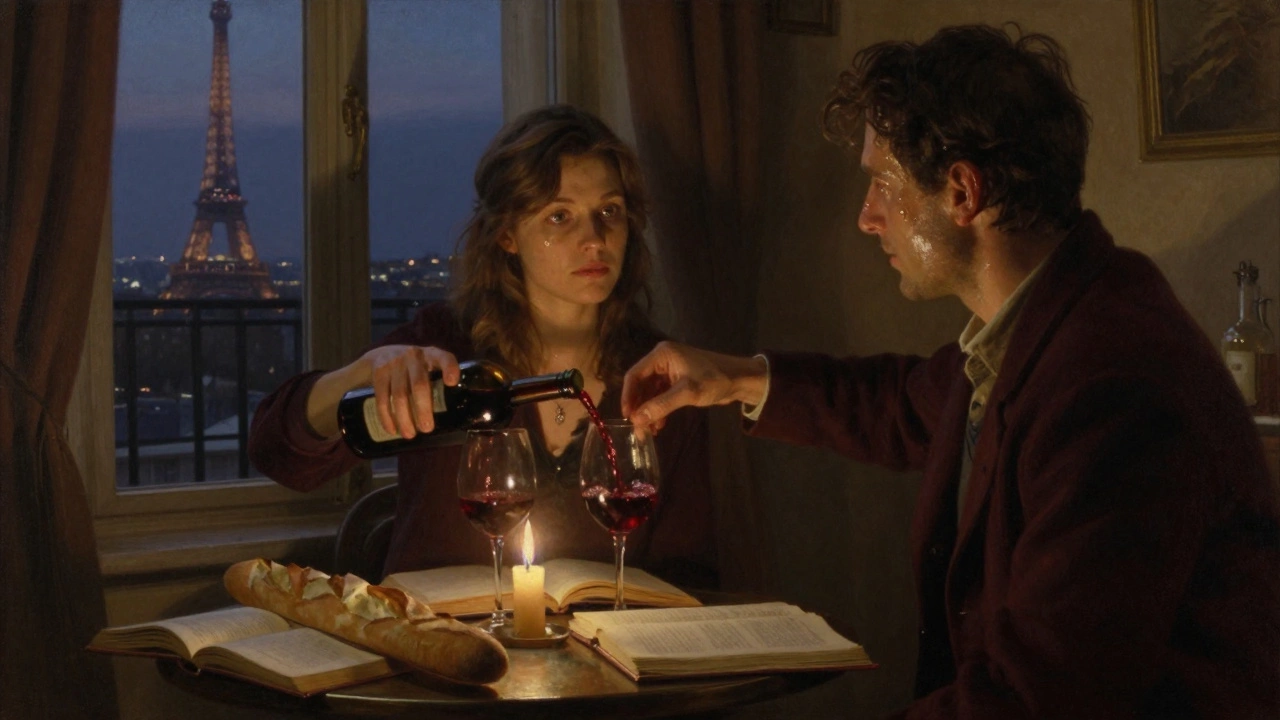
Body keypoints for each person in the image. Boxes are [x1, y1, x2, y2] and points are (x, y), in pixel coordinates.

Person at [620, 24, 1280, 719]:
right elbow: (903, 404)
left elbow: (1040, 700)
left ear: (962, 192)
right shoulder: (1049, 319)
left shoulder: (1114, 392)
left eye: (882, 183)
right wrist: (733, 378)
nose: (866, 218)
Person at [249, 104, 716, 590]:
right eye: (560, 216)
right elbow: (279, 456)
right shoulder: (443, 348)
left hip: (601, 653)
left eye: (609, 212)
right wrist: (356, 376)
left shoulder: (662, 375)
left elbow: (686, 568)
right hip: (438, 648)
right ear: (507, 236)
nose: (594, 239)